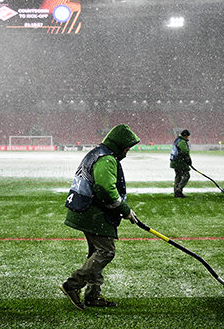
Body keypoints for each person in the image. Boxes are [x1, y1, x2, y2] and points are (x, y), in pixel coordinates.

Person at [60, 124, 140, 310]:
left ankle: (93, 296)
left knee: (95, 254)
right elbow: (105, 189)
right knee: (106, 252)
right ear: (119, 144)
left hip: (84, 209)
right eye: (128, 145)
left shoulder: (99, 153)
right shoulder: (106, 159)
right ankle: (72, 285)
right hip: (92, 213)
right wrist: (125, 210)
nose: (128, 150)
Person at [170, 129, 192, 198]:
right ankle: (178, 190)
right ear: (185, 136)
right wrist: (188, 160)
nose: (188, 138)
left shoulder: (177, 140)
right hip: (179, 162)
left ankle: (176, 192)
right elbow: (185, 152)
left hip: (174, 161)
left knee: (178, 176)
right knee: (186, 175)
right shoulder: (182, 142)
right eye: (187, 136)